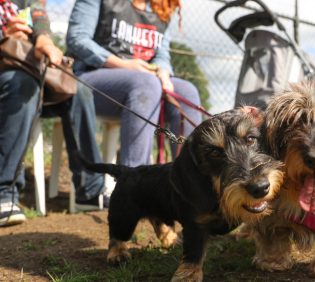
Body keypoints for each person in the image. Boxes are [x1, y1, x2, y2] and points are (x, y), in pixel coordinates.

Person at [66, 0, 202, 175]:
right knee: (146, 83)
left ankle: (189, 183)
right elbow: (77, 38)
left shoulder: (160, 8)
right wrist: (122, 64)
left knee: (187, 91)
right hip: (91, 78)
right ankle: (134, 182)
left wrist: (163, 71)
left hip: (143, 84)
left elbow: (161, 54)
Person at [0, 0, 105, 226]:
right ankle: (4, 192)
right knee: (22, 85)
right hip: (10, 77)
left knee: (79, 90)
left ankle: (90, 190)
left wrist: (44, 40)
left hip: (30, 69)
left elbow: (38, 14)